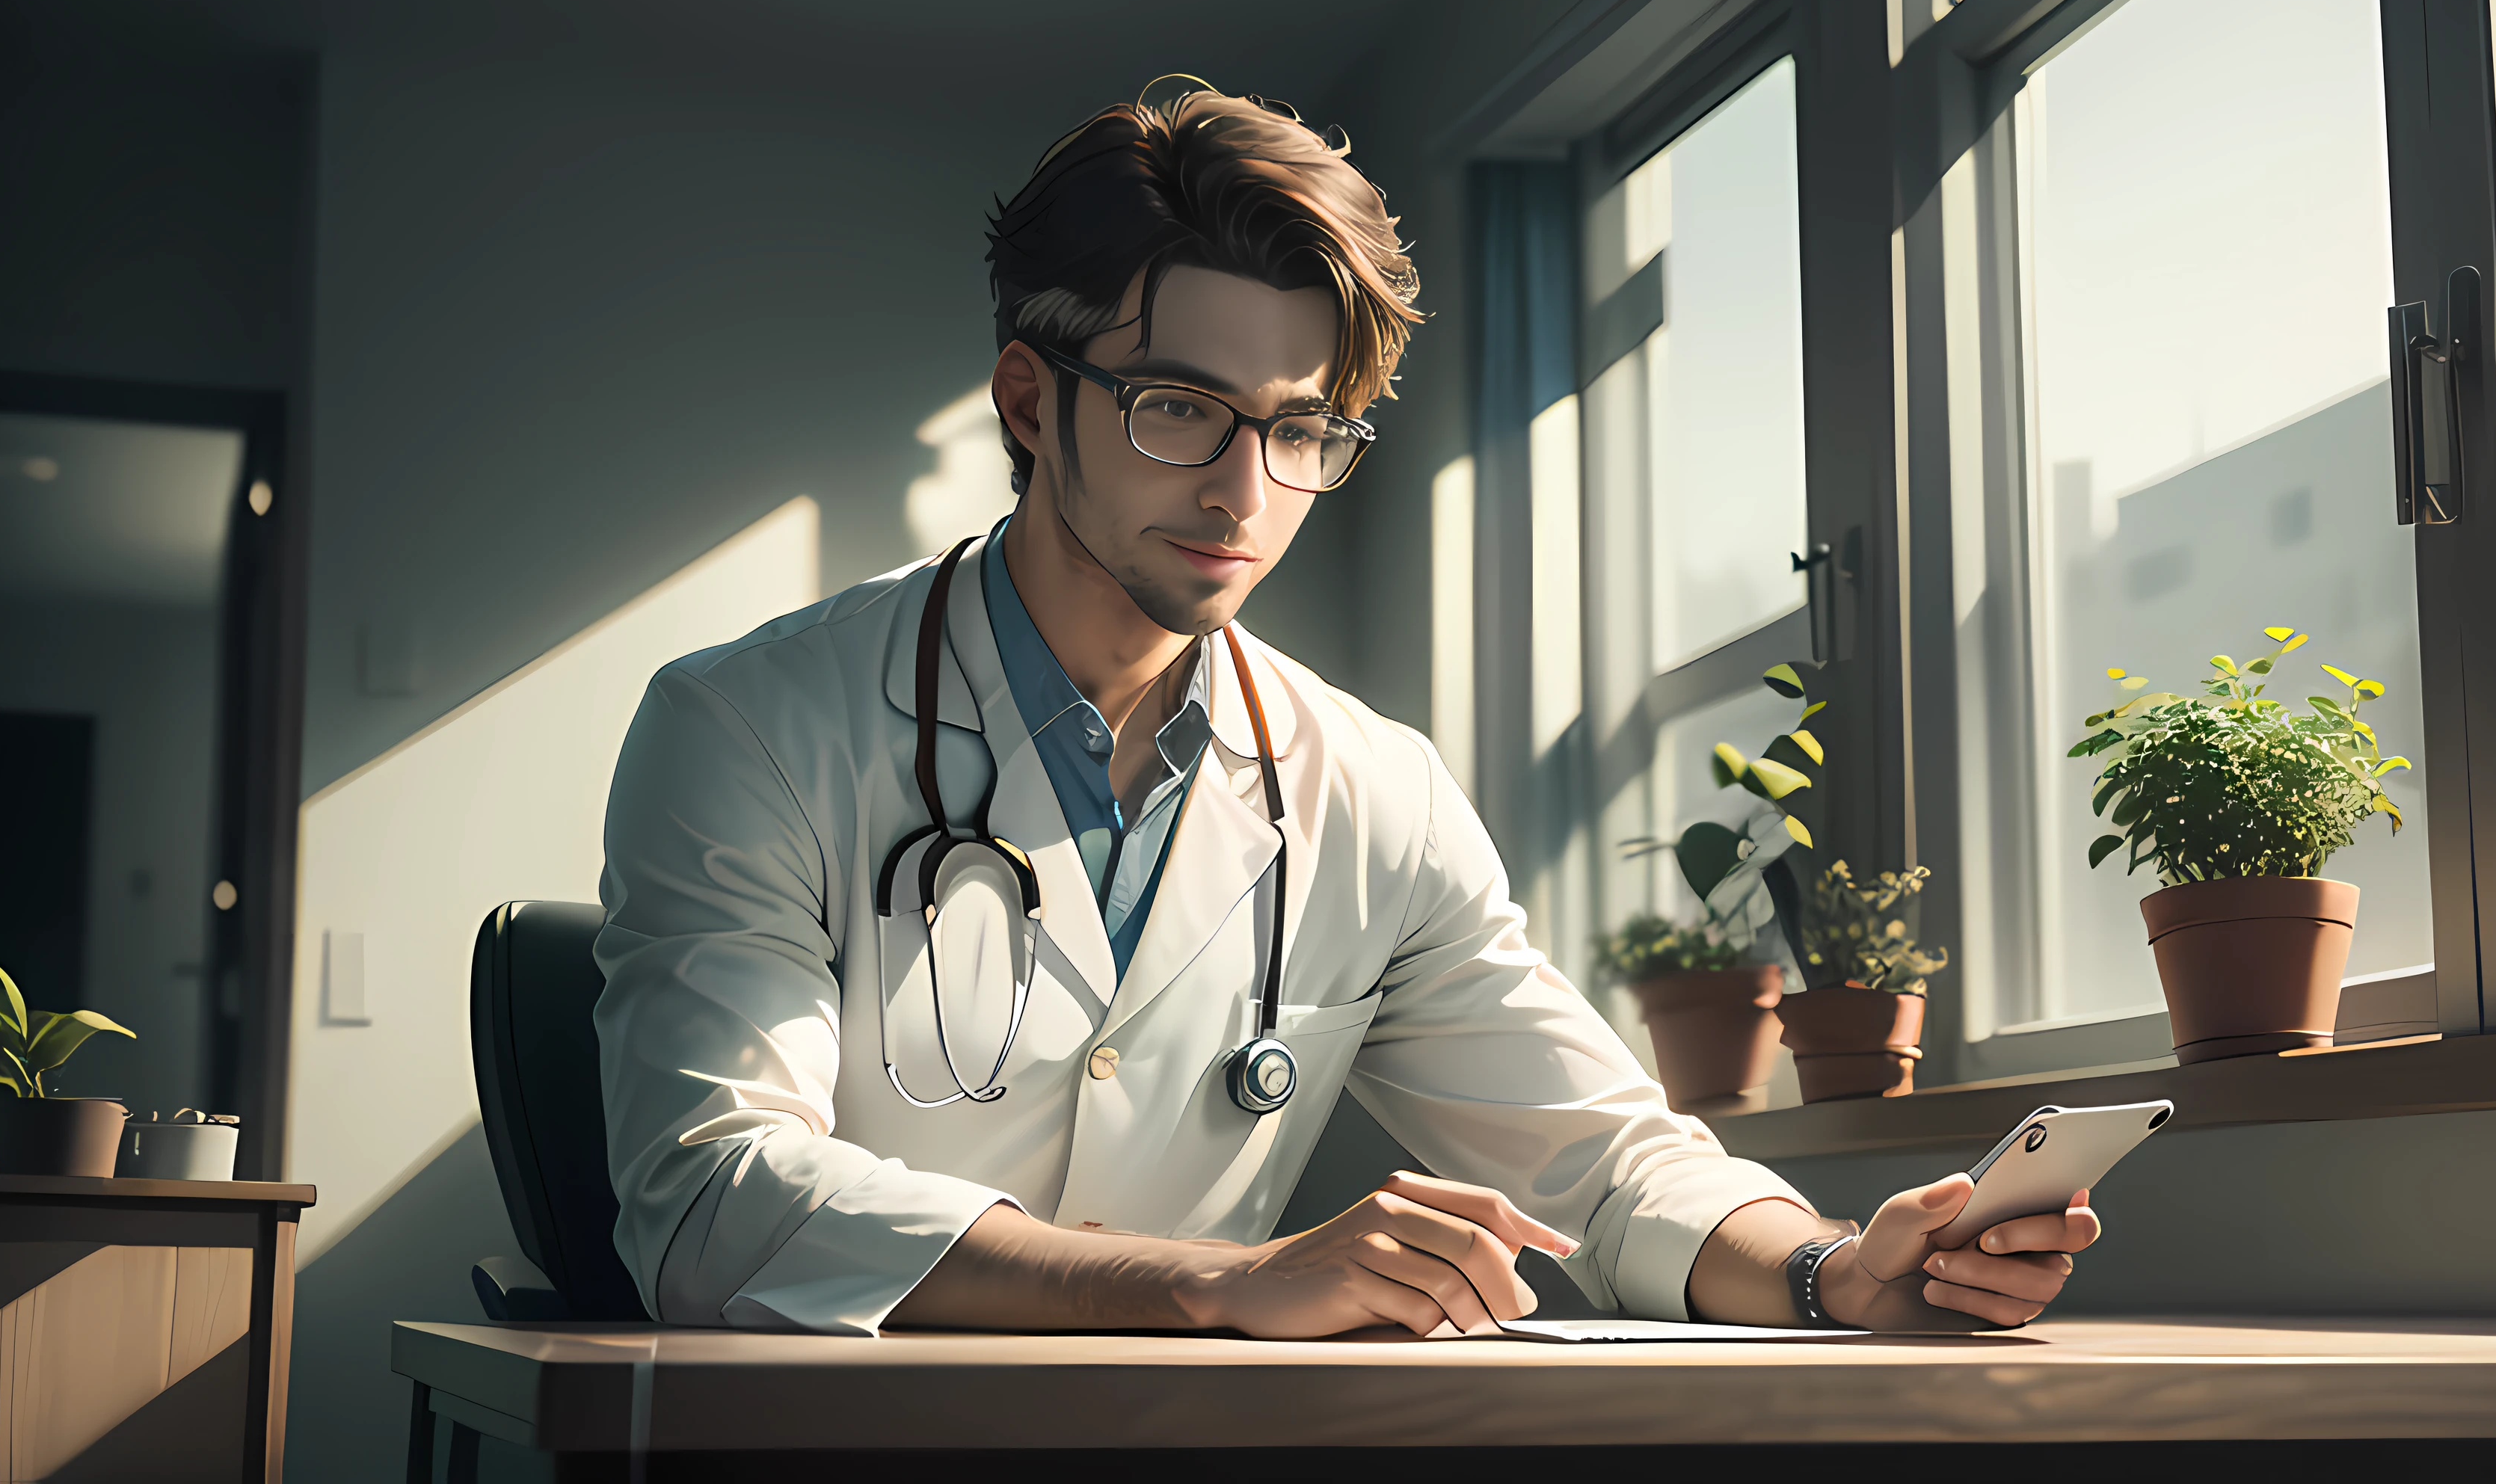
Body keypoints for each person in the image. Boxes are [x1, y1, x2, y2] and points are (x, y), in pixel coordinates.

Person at [591, 85, 2100, 1338]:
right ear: (1029, 399)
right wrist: (1223, 1280)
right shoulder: (750, 727)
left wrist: (1831, 1270)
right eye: (1178, 406)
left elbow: (1596, 1151)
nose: (1243, 492)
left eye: (1301, 429)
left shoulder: (1368, 789)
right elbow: (716, 1200)